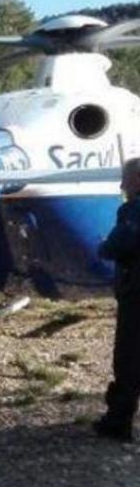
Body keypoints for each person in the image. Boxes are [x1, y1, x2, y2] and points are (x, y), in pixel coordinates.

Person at [95, 157, 140, 442]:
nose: (122, 185)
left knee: (129, 358)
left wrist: (103, 245)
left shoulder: (133, 210)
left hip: (136, 295)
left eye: (126, 178)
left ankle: (118, 422)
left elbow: (117, 246)